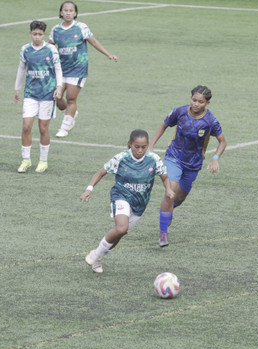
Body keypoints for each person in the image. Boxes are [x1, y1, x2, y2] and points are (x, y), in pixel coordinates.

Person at [81, 129, 174, 273]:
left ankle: (98, 256)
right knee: (121, 227)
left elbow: (165, 177)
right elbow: (101, 172)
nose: (140, 150)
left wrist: (168, 189)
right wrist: (89, 188)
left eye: (144, 147)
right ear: (130, 144)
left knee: (121, 233)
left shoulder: (154, 159)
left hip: (140, 203)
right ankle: (95, 255)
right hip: (121, 196)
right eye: (136, 146)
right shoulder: (121, 158)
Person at [149, 85, 227, 247]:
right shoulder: (179, 112)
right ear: (190, 99)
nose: (196, 104)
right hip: (174, 158)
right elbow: (164, 125)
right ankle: (163, 233)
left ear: (207, 103)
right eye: (194, 100)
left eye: (201, 102)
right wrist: (151, 145)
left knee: (179, 198)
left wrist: (215, 158)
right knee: (170, 193)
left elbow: (222, 141)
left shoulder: (210, 121)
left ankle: (169, 210)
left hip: (193, 164)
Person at [49, 1, 118, 138]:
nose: (68, 13)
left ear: (75, 13)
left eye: (71, 10)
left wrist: (108, 54)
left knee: (71, 99)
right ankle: (70, 113)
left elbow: (94, 41)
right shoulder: (55, 30)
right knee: (56, 96)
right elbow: (50, 48)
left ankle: (65, 127)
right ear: (61, 12)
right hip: (61, 69)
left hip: (78, 69)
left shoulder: (81, 27)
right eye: (65, 10)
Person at [14, 20, 63, 173]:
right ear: (30, 34)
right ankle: (26, 160)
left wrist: (59, 88)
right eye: (34, 34)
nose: (37, 37)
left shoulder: (51, 50)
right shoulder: (25, 50)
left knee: (43, 128)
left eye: (40, 34)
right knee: (26, 126)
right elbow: (21, 69)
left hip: (47, 94)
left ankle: (43, 161)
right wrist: (17, 88)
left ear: (44, 35)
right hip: (30, 94)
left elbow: (58, 69)